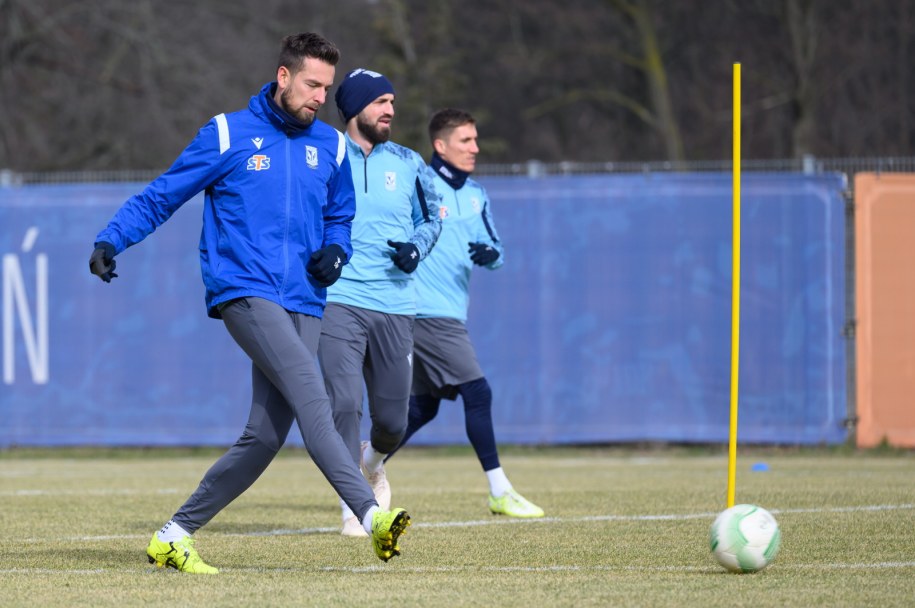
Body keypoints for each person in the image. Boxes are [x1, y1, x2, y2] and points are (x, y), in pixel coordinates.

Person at [87, 33, 411, 574]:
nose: (318, 97)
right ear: (283, 77)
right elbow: (163, 195)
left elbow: (340, 217)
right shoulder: (226, 134)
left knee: (263, 437)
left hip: (306, 300)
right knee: (315, 393)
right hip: (245, 291)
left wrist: (336, 249)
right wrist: (111, 238)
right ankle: (371, 514)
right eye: (311, 84)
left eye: (326, 89)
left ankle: (173, 535)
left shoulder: (331, 146)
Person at [385, 108, 544, 518]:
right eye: (466, 141)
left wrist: (491, 255)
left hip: (451, 311)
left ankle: (361, 466)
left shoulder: (477, 194)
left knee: (423, 408)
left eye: (475, 140)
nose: (475, 148)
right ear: (440, 145)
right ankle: (499, 490)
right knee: (478, 392)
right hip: (423, 310)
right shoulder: (417, 183)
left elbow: (496, 251)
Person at [319, 68, 442, 537]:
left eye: (392, 101)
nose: (390, 110)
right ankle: (357, 504)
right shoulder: (323, 154)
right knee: (343, 403)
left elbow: (430, 221)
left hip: (395, 304)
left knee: (393, 420)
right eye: (380, 102)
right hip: (338, 299)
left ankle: (373, 461)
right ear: (354, 108)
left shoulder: (410, 162)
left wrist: (416, 247)